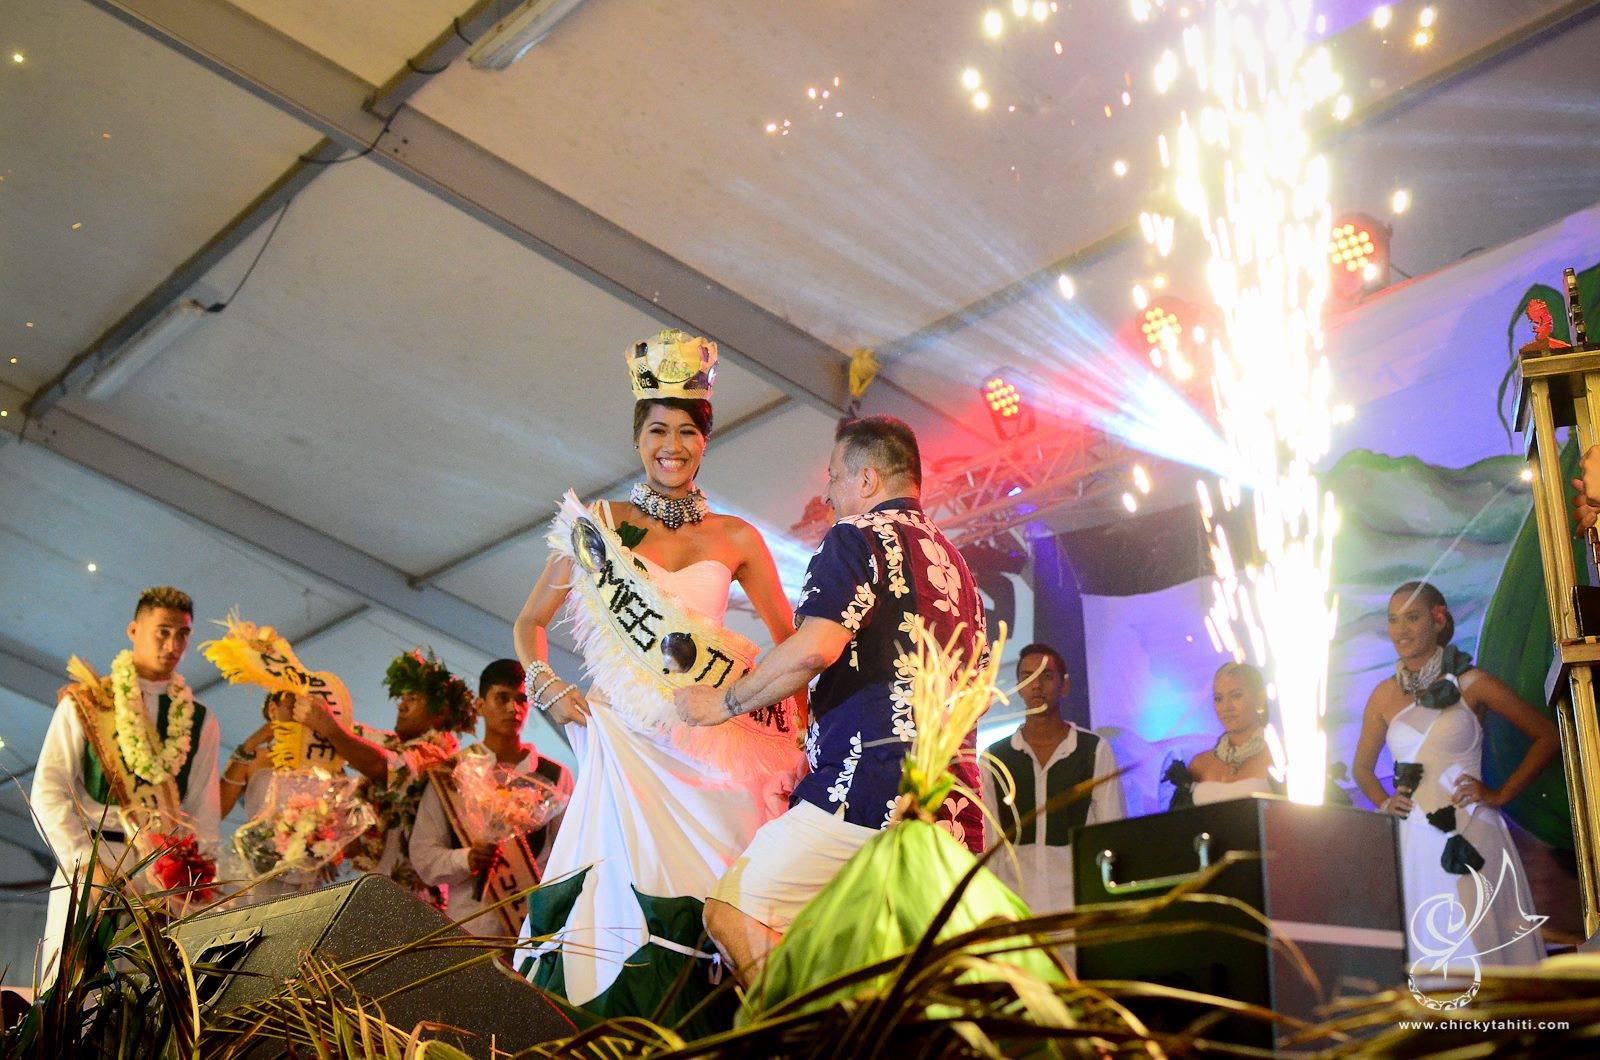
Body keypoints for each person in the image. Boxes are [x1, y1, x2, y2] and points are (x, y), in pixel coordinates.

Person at [511, 330, 806, 1026]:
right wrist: (550, 688)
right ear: (637, 436)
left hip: (707, 758)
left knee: (721, 903)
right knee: (608, 900)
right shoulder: (603, 526)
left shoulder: (737, 538)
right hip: (622, 747)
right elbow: (529, 625)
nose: (669, 445)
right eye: (655, 431)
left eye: (684, 432)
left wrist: (776, 722)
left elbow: (791, 646)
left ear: (705, 440)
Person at [677, 414, 989, 985]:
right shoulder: (959, 569)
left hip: (867, 792)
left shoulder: (858, 538)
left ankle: (802, 1037)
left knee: (734, 910)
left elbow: (814, 649)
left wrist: (722, 705)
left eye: (834, 477)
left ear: (867, 480)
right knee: (891, 980)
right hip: (953, 810)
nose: (827, 493)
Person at [1351, 581, 1556, 970]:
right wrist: (1383, 801)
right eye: (1393, 620)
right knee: (1434, 949)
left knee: (1483, 944)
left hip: (1473, 830)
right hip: (1416, 838)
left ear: (1438, 618)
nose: (1401, 630)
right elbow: (1361, 767)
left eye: (1411, 617)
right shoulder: (1382, 695)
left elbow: (1547, 735)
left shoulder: (1470, 682)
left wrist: (1499, 793)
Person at [32, 586, 221, 979]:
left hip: (164, 876)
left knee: (150, 1002)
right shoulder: (87, 702)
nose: (173, 644)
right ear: (134, 630)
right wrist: (84, 861)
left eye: (183, 634)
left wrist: (193, 881)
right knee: (75, 989)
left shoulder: (200, 719)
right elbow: (48, 791)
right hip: (93, 864)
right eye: (163, 631)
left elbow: (204, 809)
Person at [411, 660, 574, 937]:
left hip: (534, 927)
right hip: (469, 927)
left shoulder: (554, 775)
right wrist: (468, 859)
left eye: (522, 699)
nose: (514, 708)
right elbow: (424, 856)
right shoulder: (452, 774)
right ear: (480, 705)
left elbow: (570, 853)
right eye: (502, 698)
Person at [980, 643, 1124, 920]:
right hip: (1014, 904)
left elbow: (1111, 832)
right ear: (1019, 686)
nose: (1036, 685)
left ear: (1064, 685)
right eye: (1027, 677)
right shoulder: (993, 758)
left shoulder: (1093, 749)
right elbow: (990, 842)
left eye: (1046, 676)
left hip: (1078, 901)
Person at [343, 649, 476, 909]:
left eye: (413, 698)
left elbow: (381, 765)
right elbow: (356, 736)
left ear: (440, 712)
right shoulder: (399, 746)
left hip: (412, 900)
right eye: (401, 697)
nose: (402, 704)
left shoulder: (433, 756)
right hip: (381, 889)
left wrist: (328, 727)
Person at [1169, 662, 1278, 808]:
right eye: (1218, 698)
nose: (1226, 707)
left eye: (1236, 696)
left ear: (1260, 699)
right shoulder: (1199, 764)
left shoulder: (1280, 759)